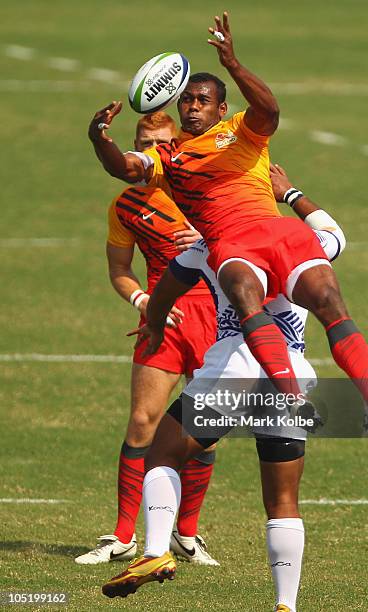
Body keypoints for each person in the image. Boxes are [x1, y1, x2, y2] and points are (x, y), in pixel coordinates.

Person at [88, 12, 368, 433]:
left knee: (330, 300)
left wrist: (233, 65)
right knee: (244, 294)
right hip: (231, 243)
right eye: (186, 100)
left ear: (221, 108)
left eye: (202, 100)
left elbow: (270, 108)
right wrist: (100, 138)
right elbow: (125, 169)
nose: (192, 107)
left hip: (280, 232)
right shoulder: (167, 157)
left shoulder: (242, 131)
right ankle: (292, 397)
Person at [101, 169, 345, 611]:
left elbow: (166, 289)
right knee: (282, 500)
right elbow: (334, 233)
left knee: (163, 453)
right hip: (289, 377)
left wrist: (153, 324)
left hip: (234, 371)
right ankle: (285, 604)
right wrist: (291, 192)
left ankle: (156, 552)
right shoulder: (304, 243)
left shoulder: (211, 246)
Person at [75, 112, 219, 567]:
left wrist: (207, 236)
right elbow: (119, 271)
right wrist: (142, 301)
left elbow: (246, 235)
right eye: (144, 142)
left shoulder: (202, 191)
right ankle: (122, 536)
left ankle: (187, 535)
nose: (152, 149)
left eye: (161, 142)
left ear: (174, 146)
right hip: (163, 320)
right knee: (142, 423)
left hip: (215, 318)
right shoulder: (125, 206)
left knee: (205, 436)